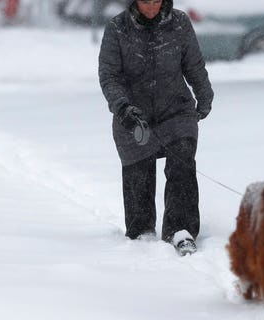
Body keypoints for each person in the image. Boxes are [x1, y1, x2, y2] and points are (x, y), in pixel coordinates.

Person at [98, 0, 213, 255]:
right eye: (145, 1)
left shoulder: (180, 23)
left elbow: (193, 65)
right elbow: (109, 76)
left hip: (176, 111)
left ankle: (181, 231)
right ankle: (142, 237)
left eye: (156, 1)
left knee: (182, 161)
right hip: (134, 117)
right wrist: (123, 107)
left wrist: (204, 95)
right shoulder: (117, 28)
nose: (151, 7)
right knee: (139, 175)